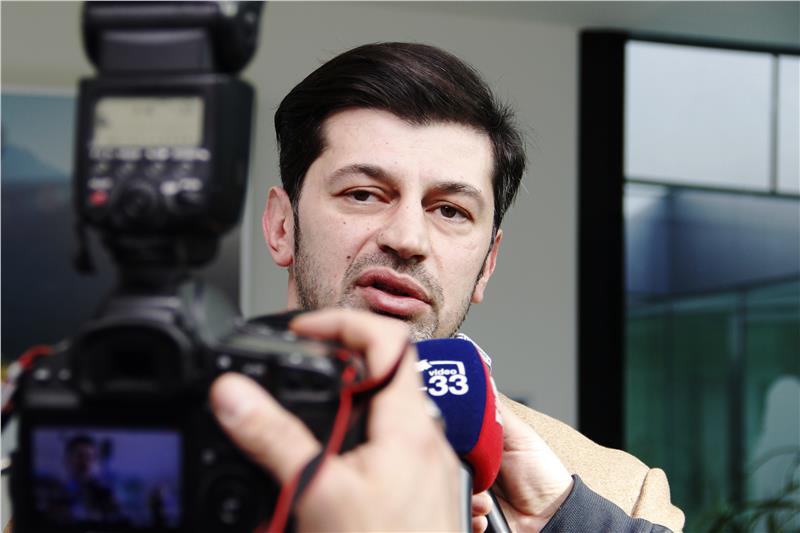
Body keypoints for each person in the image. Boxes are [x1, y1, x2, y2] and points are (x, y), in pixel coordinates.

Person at [213, 42, 685, 532]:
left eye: (450, 210)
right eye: (364, 194)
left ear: (487, 264)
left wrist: (560, 522)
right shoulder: (171, 434)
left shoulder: (615, 495)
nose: (407, 239)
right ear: (282, 225)